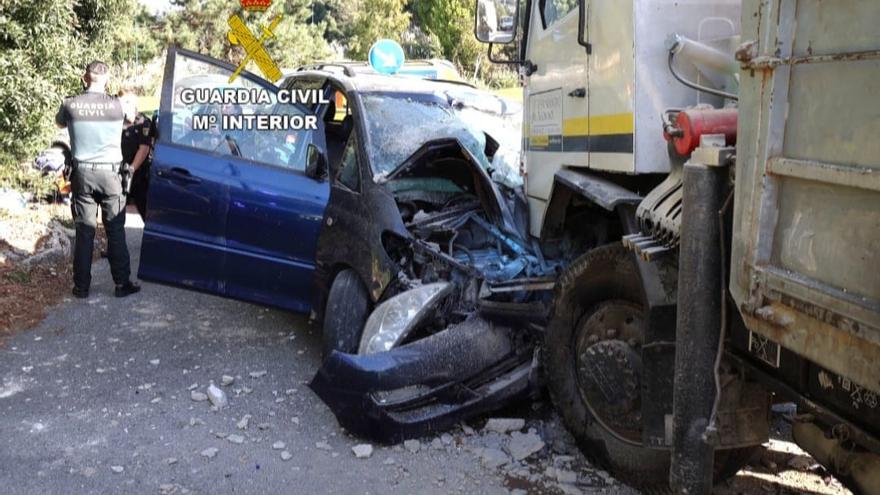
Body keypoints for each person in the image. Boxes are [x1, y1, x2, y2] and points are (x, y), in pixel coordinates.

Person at [56, 61, 141, 299]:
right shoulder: (117, 105)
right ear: (107, 79)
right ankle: (122, 283)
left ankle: (81, 287)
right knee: (115, 229)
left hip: (82, 174)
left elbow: (60, 122)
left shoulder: (70, 103)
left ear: (85, 77)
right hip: (111, 175)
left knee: (85, 231)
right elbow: (132, 117)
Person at [118, 90, 154, 218]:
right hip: (118, 172)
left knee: (146, 212)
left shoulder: (143, 122)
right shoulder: (115, 120)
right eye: (123, 102)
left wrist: (132, 169)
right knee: (116, 212)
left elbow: (144, 148)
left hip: (138, 174)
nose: (125, 105)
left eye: (128, 102)